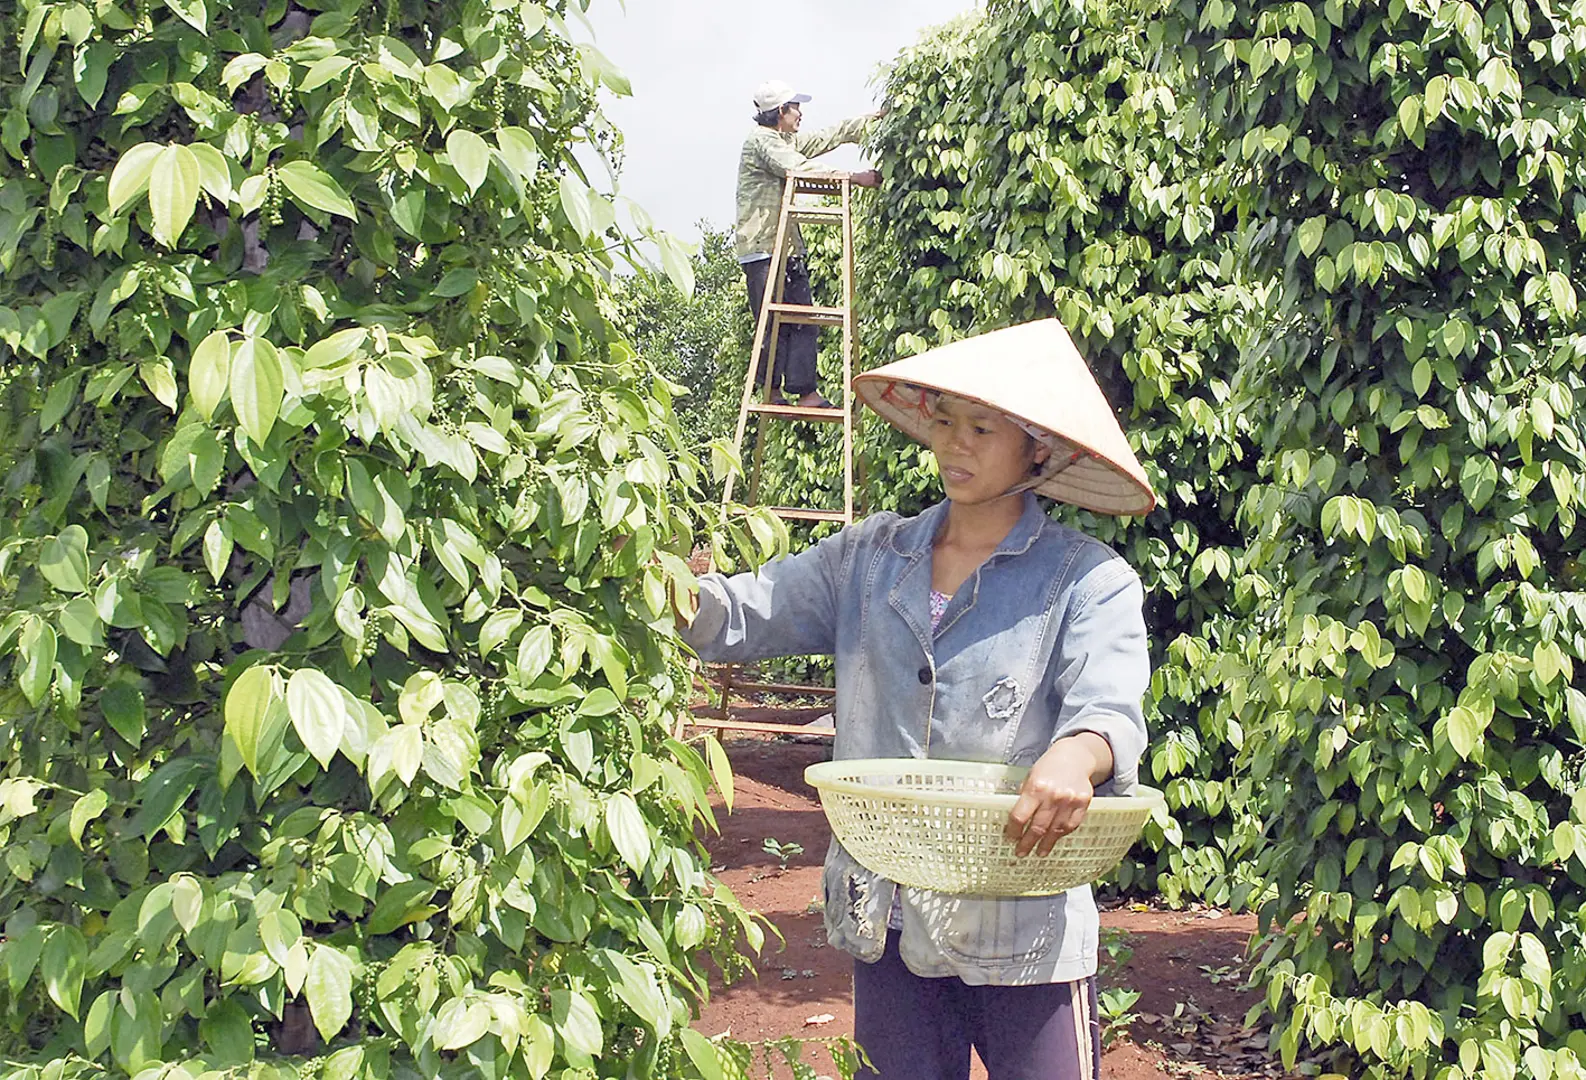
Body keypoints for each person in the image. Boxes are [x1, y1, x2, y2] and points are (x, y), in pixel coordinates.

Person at [680, 319, 1156, 1080]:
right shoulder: (871, 557)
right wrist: (662, 586)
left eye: (980, 427)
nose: (954, 445)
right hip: (890, 917)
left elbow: (1109, 703)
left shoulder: (1087, 579)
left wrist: (1079, 753)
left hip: (1022, 927)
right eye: (943, 422)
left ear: (1037, 446)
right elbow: (747, 610)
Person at [736, 80, 881, 408]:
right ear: (780, 111)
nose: (800, 113)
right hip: (762, 247)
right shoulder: (762, 142)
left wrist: (870, 121)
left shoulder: (783, 139)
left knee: (804, 317)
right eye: (795, 107)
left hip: (786, 248)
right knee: (772, 323)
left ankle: (805, 392)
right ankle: (772, 391)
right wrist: (854, 178)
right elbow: (798, 167)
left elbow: (824, 137)